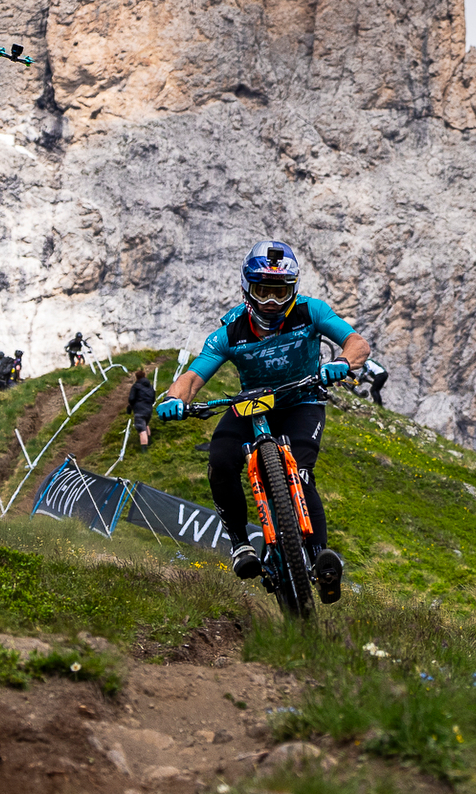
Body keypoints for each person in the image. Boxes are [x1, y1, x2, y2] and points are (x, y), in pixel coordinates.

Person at [155, 241, 369, 602]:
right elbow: (193, 376)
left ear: (293, 291)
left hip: (303, 399)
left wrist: (344, 363)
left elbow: (356, 342)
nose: (271, 301)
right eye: (262, 291)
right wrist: (176, 399)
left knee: (300, 471)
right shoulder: (228, 332)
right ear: (246, 290)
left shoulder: (312, 312)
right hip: (252, 405)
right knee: (221, 460)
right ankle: (241, 545)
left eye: (280, 291)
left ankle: (321, 561)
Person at [127, 367, 158, 448]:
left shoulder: (136, 386)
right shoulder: (150, 387)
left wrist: (131, 406)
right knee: (146, 424)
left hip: (139, 410)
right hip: (149, 409)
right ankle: (150, 442)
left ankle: (144, 451)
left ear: (136, 377)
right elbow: (153, 398)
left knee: (141, 430)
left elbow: (131, 398)